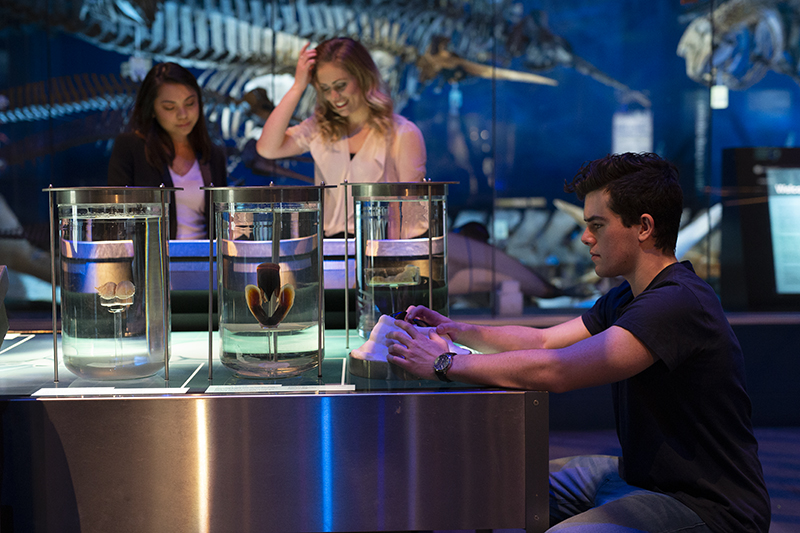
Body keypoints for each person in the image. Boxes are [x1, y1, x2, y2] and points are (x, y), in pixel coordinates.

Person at [386, 152, 771, 532]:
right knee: (494, 486)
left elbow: (559, 370)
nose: (586, 237)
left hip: (707, 508)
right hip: (640, 478)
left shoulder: (677, 302)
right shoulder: (627, 296)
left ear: (644, 227)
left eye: (597, 225)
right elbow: (544, 341)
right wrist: (457, 331)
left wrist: (444, 363)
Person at [256, 37, 427, 238]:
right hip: (328, 249)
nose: (335, 97)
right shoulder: (318, 128)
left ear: (363, 77)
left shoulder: (403, 133)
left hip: (381, 252)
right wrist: (297, 88)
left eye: (341, 85)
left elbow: (413, 216)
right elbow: (267, 149)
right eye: (326, 89)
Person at [108, 62, 228, 239]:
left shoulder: (213, 155)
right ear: (152, 109)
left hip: (206, 261)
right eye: (169, 107)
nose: (183, 114)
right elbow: (115, 219)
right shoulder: (130, 148)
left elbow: (221, 223)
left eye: (190, 103)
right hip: (151, 263)